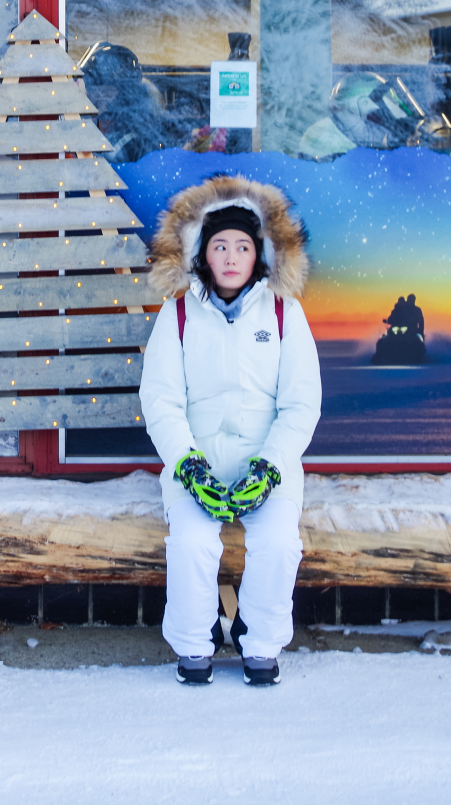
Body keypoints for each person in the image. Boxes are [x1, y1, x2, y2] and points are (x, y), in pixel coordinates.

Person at [140, 175, 321, 687]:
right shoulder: (177, 316)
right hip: (196, 463)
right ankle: (195, 645)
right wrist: (187, 464)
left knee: (279, 544)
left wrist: (271, 466)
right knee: (194, 545)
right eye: (220, 245)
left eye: (242, 245)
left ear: (259, 253)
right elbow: (160, 398)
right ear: (202, 252)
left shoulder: (285, 314)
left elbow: (302, 402)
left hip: (267, 464)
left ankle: (258, 642)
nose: (231, 256)